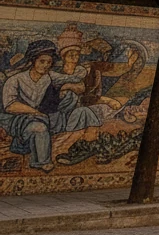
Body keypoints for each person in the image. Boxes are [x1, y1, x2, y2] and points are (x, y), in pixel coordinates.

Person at [0, 40, 101, 172]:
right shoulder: (15, 80)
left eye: (49, 62)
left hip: (48, 118)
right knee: (39, 127)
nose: (46, 65)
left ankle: (94, 147)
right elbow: (10, 106)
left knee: (84, 112)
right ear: (33, 60)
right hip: (21, 120)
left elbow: (79, 84)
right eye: (42, 61)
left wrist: (67, 86)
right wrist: (35, 112)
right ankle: (41, 162)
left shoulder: (51, 76)